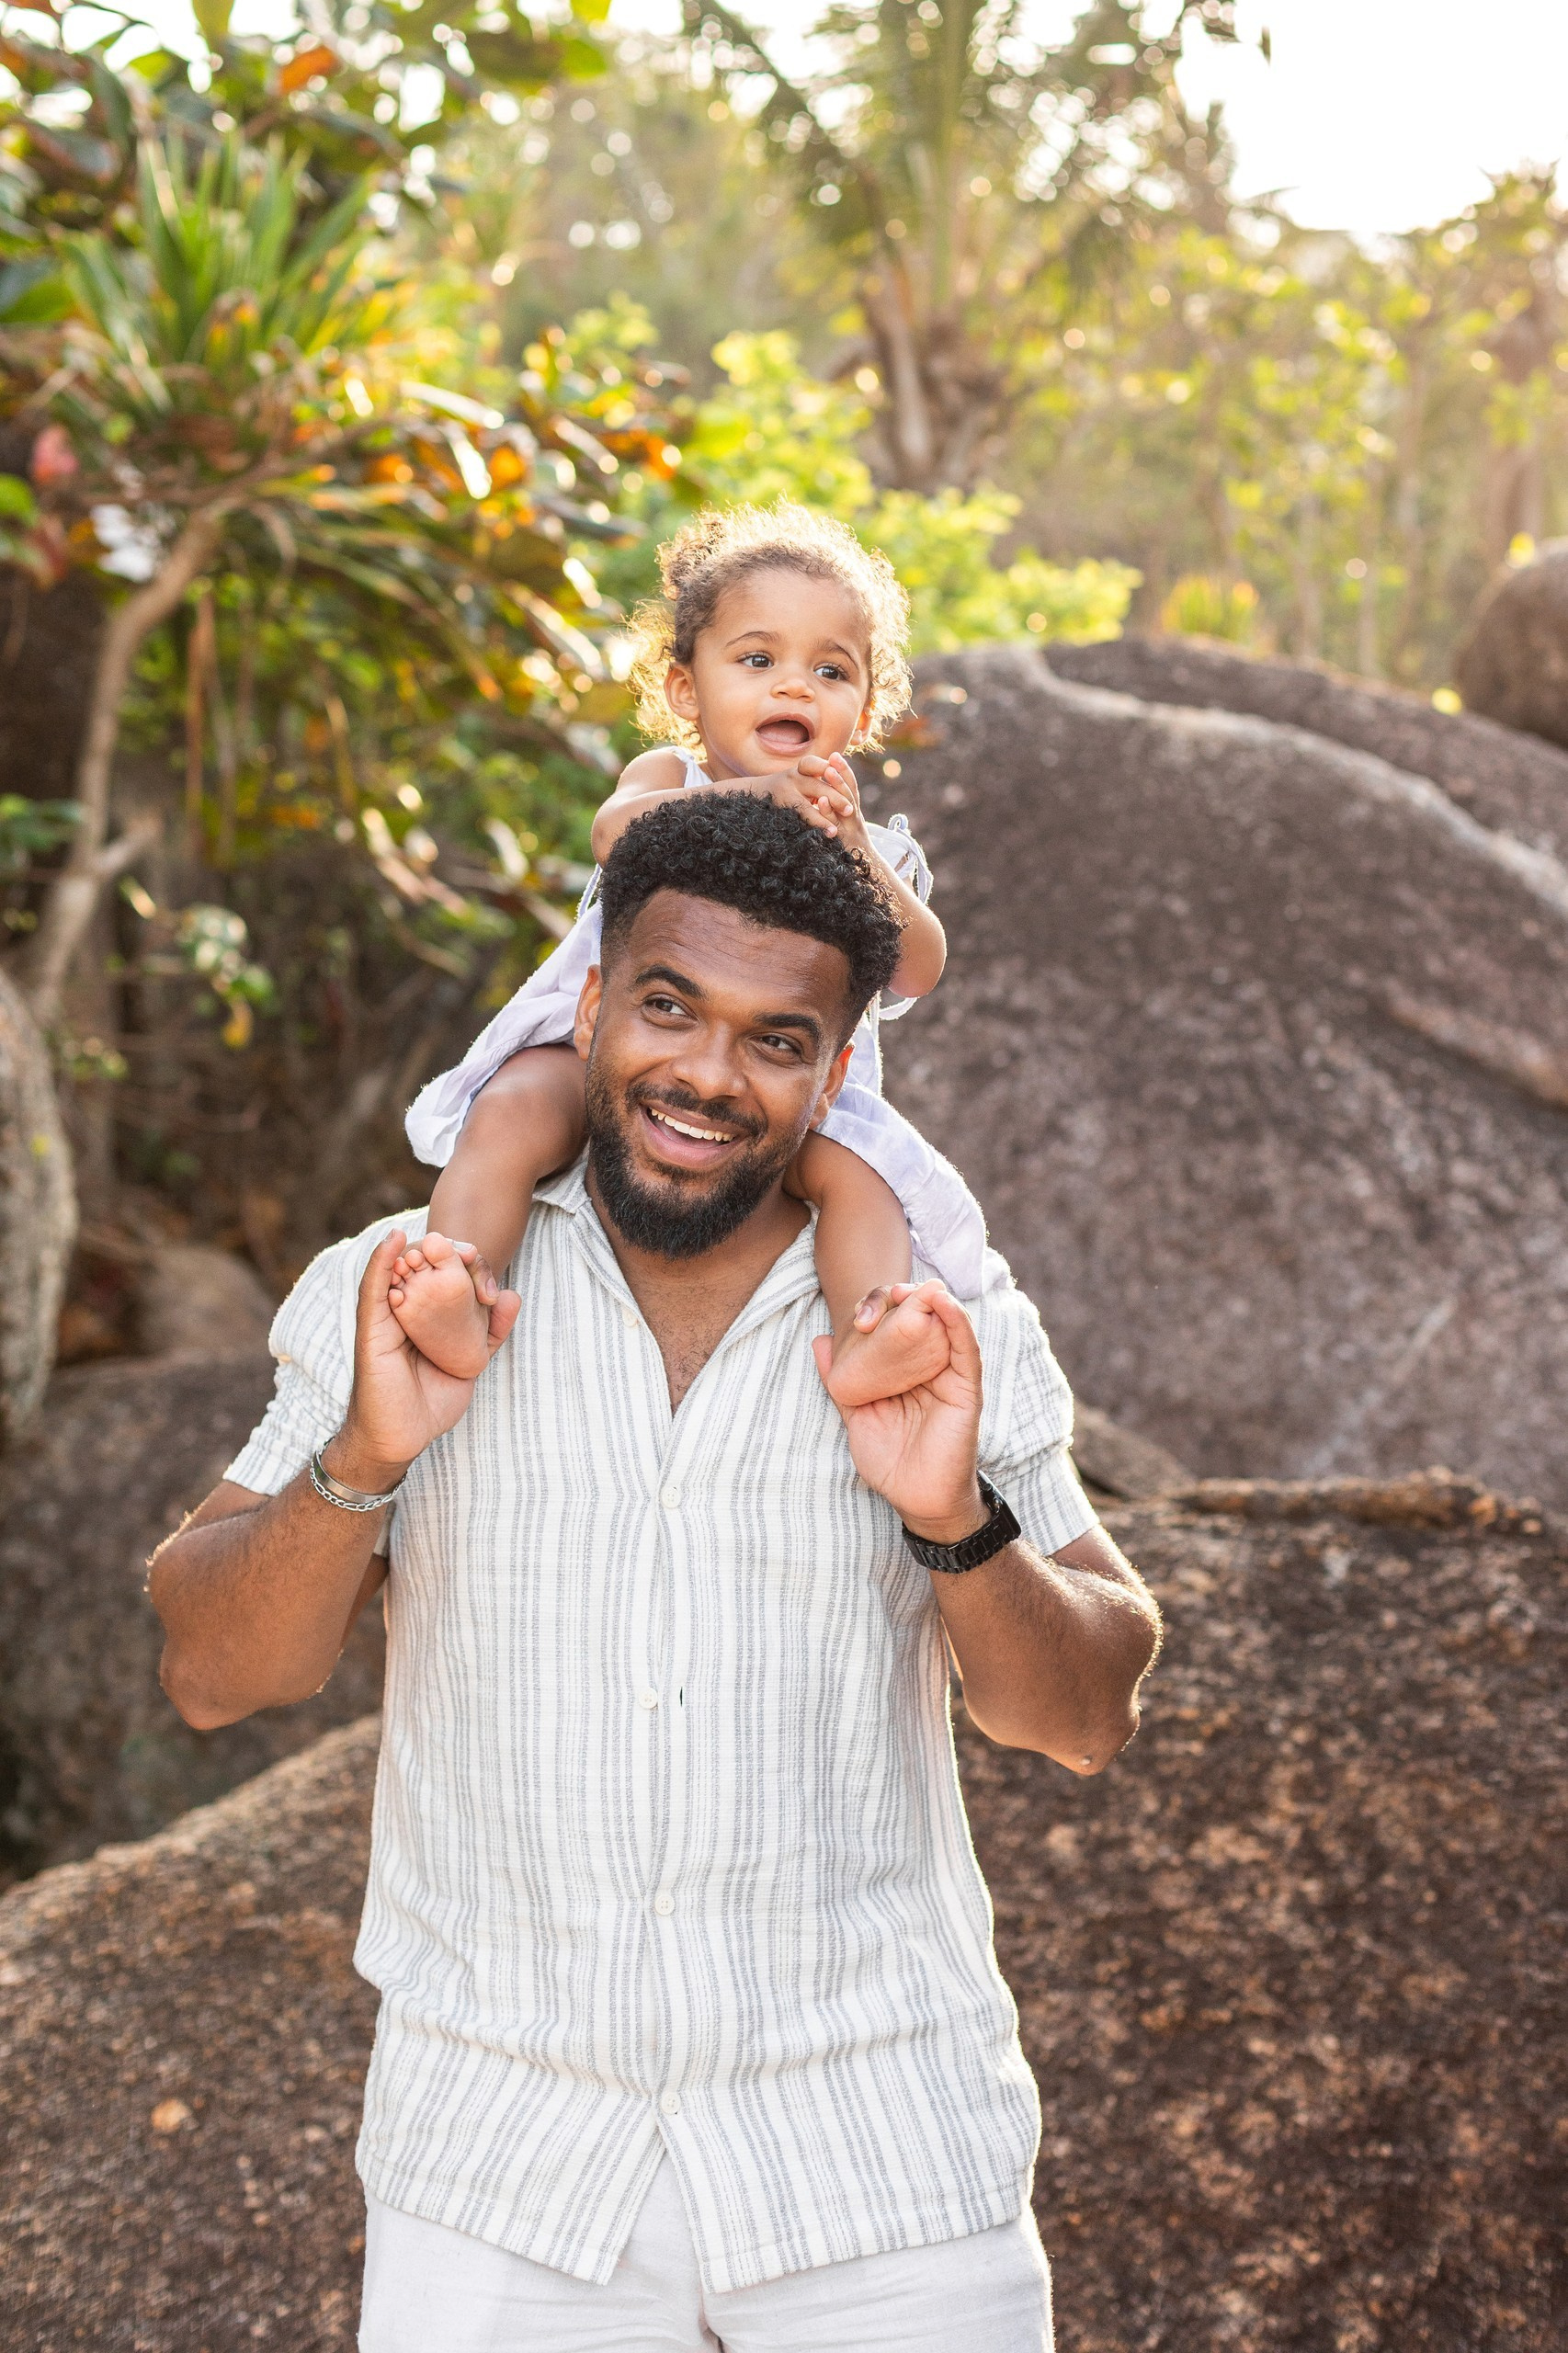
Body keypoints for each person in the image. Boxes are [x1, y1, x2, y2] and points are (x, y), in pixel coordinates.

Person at [150, 792, 1163, 2353]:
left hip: (886, 2165)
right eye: (670, 1007)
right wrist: (365, 1458)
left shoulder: (935, 1323)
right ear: (590, 1006)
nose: (705, 1073)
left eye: (775, 1039)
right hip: (498, 2179)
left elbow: (1086, 1709)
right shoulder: (399, 1283)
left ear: (837, 1072)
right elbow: (215, 1671)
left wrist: (952, 1516)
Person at [391, 500, 998, 1411]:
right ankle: (455, 1289)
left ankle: (870, 1334)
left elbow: (917, 966)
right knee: (512, 1111)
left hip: (788, 1100)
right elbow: (613, 837)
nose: (793, 687)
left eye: (828, 670)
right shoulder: (667, 778)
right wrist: (757, 794)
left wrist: (855, 849)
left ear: (863, 709)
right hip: (593, 1044)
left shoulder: (871, 843)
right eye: (757, 660)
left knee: (861, 1180)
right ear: (686, 690)